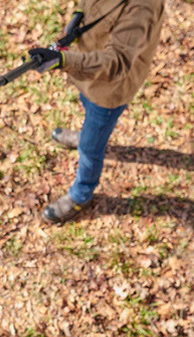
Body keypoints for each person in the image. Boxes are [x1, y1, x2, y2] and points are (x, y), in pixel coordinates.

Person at [27, 0, 165, 223]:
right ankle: (86, 137)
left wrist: (63, 60)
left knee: (91, 149)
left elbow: (118, 62)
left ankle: (81, 195)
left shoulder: (142, 7)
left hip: (109, 89)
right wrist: (80, 15)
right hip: (90, 76)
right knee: (88, 112)